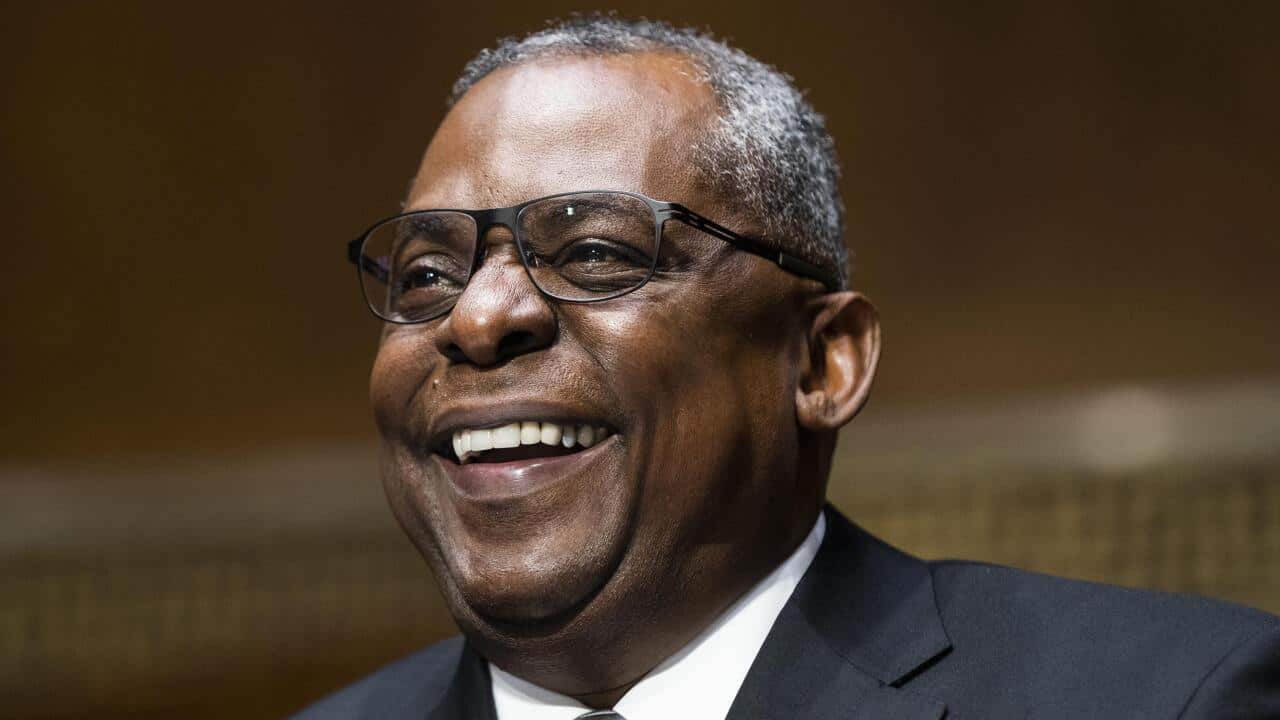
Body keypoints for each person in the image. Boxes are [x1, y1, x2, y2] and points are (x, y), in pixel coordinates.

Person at [296, 15, 1279, 719]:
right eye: (426, 272)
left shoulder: (1169, 695)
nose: (475, 316)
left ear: (821, 361)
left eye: (592, 252)